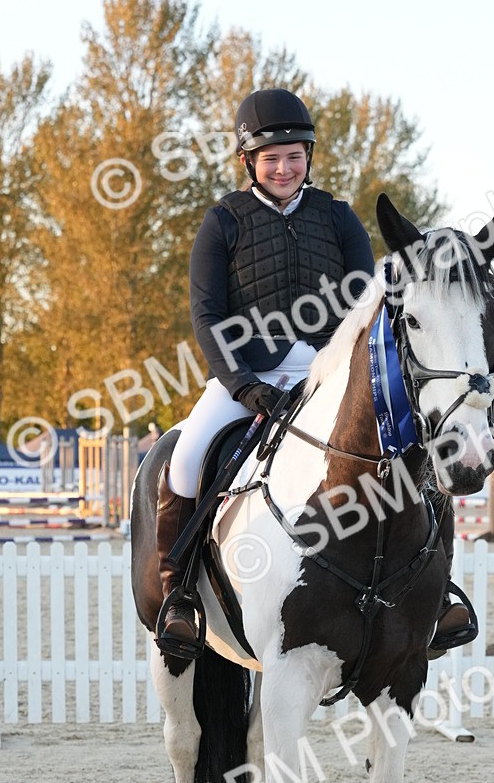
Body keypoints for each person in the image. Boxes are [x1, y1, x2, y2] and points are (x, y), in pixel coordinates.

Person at [155, 87, 473, 657]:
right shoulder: (222, 221)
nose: (284, 167)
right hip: (247, 375)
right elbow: (207, 316)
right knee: (184, 458)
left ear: (308, 157)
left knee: (414, 450)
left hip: (327, 377)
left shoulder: (338, 217)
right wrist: (244, 387)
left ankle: (441, 588)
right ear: (249, 160)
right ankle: (178, 593)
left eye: (294, 155)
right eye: (271, 158)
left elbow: (367, 304)